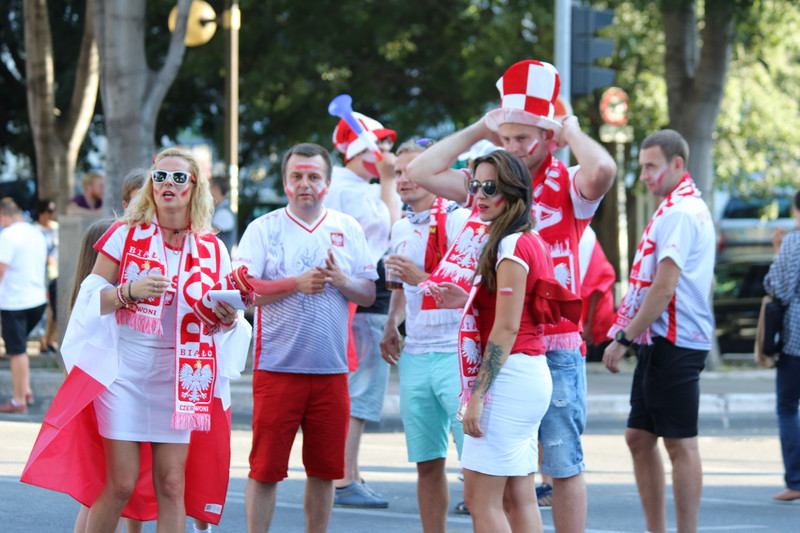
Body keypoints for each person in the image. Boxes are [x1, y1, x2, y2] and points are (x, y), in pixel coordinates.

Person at [407, 59, 616, 531]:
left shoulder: (566, 182)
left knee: (560, 468)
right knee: (517, 488)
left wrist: (569, 127)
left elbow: (602, 166)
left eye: (524, 138)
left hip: (551, 345)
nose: (514, 147)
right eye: (506, 138)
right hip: (511, 349)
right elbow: (421, 169)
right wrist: (484, 125)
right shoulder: (492, 183)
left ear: (547, 137)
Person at [21, 147, 252, 532]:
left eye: (178, 178)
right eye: (159, 176)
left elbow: (224, 317)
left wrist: (227, 317)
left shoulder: (213, 247)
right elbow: (89, 300)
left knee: (172, 483)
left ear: (194, 186)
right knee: (121, 483)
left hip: (182, 376)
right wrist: (129, 290)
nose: (167, 184)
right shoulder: (124, 234)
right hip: (125, 373)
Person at [430, 150, 578, 533]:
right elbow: (516, 312)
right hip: (524, 374)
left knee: (482, 500)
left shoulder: (511, 245)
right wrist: (466, 301)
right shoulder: (526, 239)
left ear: (513, 192)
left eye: (490, 187)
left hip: (510, 376)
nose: (478, 194)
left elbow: (507, 328)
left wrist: (477, 396)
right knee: (518, 496)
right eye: (475, 185)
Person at [233, 143, 377, 533]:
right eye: (297, 176)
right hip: (277, 368)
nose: (305, 184)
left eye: (313, 176)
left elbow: (368, 294)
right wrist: (295, 284)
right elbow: (246, 291)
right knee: (265, 470)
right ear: (285, 183)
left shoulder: (347, 227)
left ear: (327, 184)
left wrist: (342, 280)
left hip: (332, 370)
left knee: (325, 471)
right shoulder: (263, 229)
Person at [602, 129, 715, 533]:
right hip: (664, 339)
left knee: (680, 444)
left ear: (677, 165)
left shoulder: (682, 213)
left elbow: (663, 286)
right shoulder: (678, 206)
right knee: (638, 436)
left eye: (651, 166)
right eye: (642, 166)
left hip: (675, 340)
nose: (644, 175)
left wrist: (623, 337)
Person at [379, 138, 471, 532]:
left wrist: (421, 279)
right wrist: (390, 325)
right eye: (398, 172)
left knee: (478, 467)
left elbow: (469, 291)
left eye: (412, 170)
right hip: (416, 353)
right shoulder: (400, 225)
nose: (404, 179)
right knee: (426, 462)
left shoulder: (459, 219)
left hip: (457, 352)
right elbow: (400, 288)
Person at [325, 111, 399, 508]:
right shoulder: (351, 189)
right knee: (361, 391)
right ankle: (344, 478)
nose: (386, 151)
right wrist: (389, 181)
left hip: (355, 295)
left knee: (357, 389)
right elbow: (394, 231)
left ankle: (346, 473)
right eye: (381, 143)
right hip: (365, 296)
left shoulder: (346, 184)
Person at [763, 190, 800, 503]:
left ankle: (796, 481)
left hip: (796, 341)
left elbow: (778, 288)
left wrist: (778, 249)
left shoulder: (794, 242)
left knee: (788, 406)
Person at [0, 197, 48, 413]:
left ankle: (19, 400)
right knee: (20, 349)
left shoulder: (8, 236)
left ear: (4, 216)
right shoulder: (35, 232)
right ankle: (26, 390)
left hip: (14, 302)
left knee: (16, 351)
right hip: (37, 299)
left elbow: (1, 269)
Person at [35, 198, 59, 356]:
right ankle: (42, 342)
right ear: (42, 213)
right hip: (41, 274)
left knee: (53, 310)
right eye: (50, 211)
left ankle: (49, 340)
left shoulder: (55, 228)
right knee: (44, 310)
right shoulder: (35, 230)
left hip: (56, 273)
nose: (52, 214)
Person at [210, 176, 236, 252]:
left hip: (219, 262)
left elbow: (206, 235)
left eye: (208, 187)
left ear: (216, 189)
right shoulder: (219, 210)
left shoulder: (224, 213)